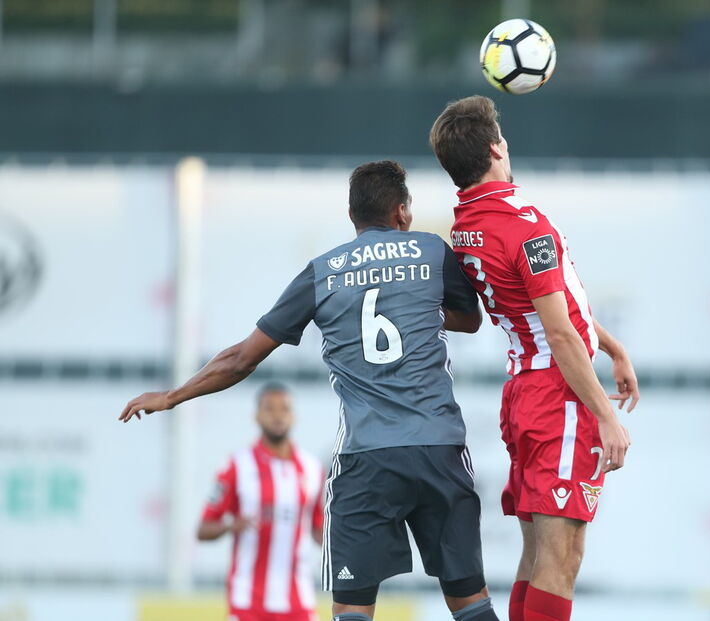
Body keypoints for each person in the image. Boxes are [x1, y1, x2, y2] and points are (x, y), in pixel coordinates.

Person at [119, 160, 501, 621]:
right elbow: (473, 318)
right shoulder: (433, 252)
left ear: (352, 218)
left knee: (352, 610)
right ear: (402, 212)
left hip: (367, 457)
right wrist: (419, 313)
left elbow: (242, 358)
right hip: (439, 447)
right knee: (469, 599)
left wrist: (173, 395)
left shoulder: (324, 272)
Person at [429, 96, 640, 621]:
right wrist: (605, 415)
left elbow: (545, 309)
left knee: (538, 552)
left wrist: (610, 345)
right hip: (558, 396)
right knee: (562, 557)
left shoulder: (468, 225)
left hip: (524, 389)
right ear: (497, 147)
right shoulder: (525, 225)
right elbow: (561, 335)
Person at [198, 382, 326, 621]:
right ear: (256, 416)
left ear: (294, 416)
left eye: (284, 409)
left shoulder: (312, 469)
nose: (278, 416)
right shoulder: (236, 466)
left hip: (298, 601)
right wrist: (230, 525)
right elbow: (203, 529)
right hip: (248, 601)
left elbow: (319, 529)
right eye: (270, 409)